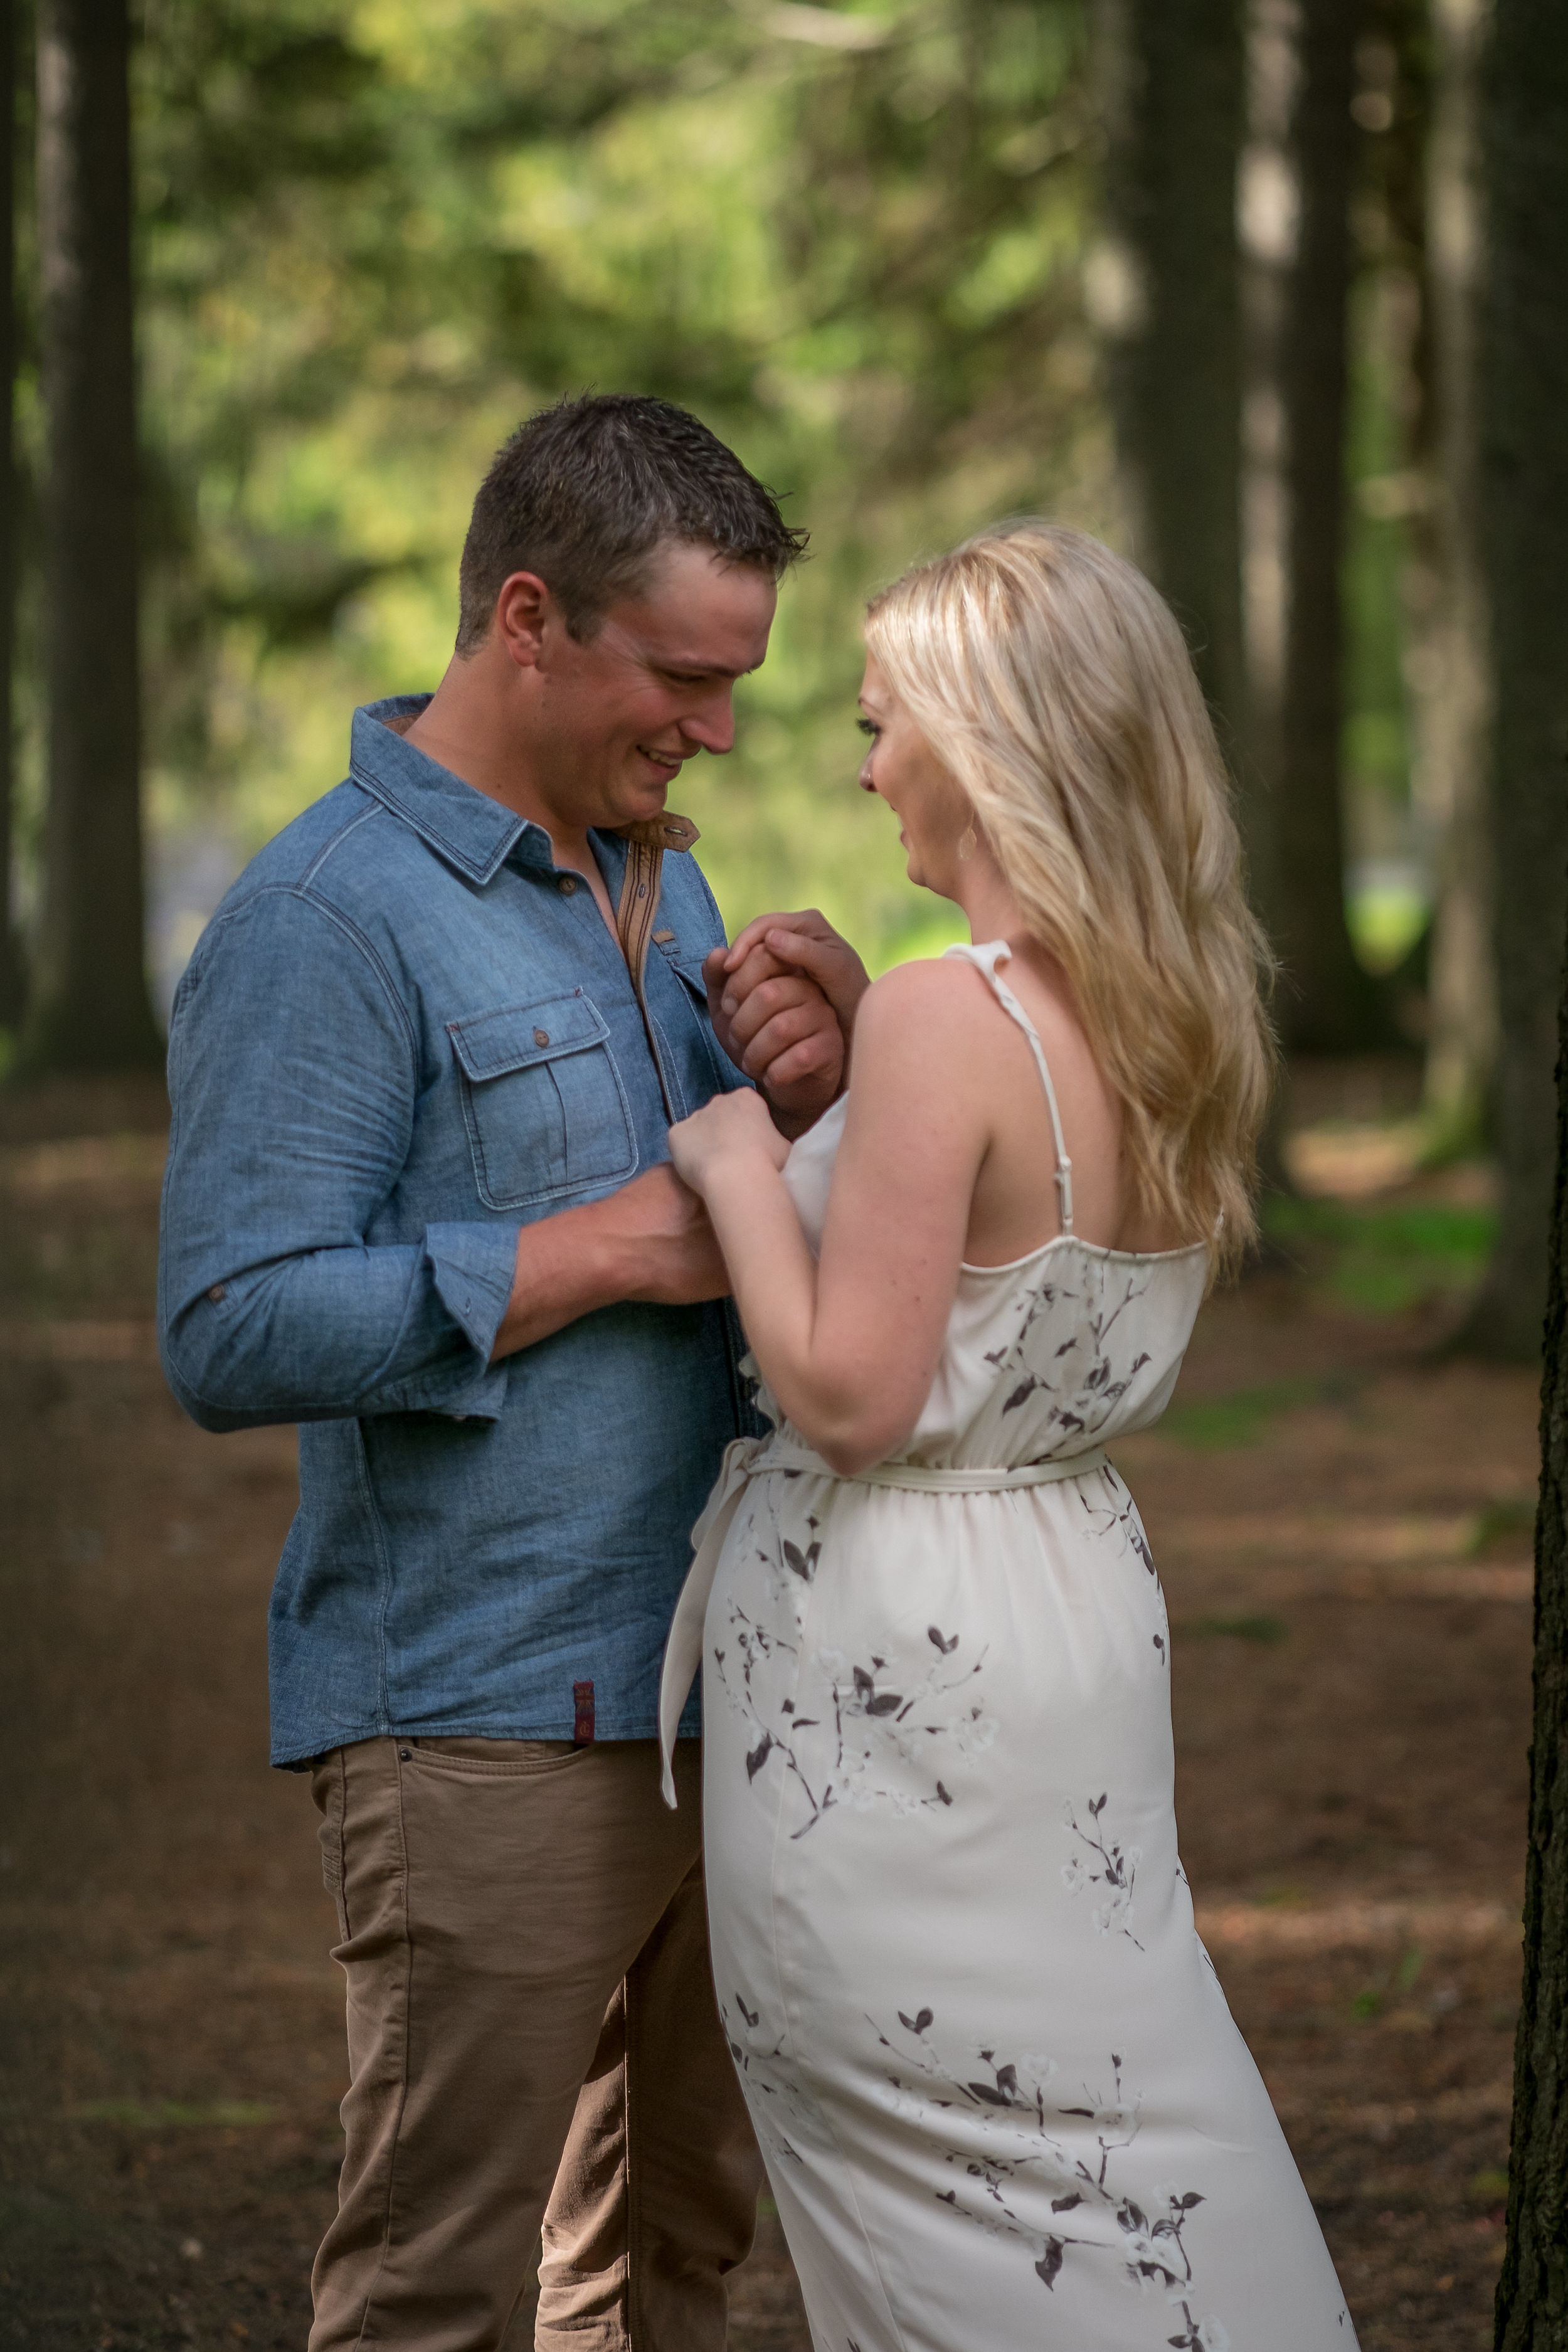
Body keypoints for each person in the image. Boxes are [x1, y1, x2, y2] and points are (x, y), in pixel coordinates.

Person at [157, 393, 867, 2352]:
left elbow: (748, 1234)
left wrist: (816, 1096)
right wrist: (594, 1255)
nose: (719, 729)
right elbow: (227, 1326)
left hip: (725, 1695)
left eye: (741, 684)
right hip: (481, 1716)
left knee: (684, 2267)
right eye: (687, 676)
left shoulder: (670, 881)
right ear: (529, 618)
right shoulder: (320, 923)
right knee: (438, 2291)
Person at [658, 521, 1360, 2349]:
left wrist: (739, 1163)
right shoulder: (1162, 1007)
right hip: (1063, 1615)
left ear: (987, 744)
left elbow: (853, 1394)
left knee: (938, 2195)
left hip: (892, 1674)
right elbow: (985, 1273)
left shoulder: (950, 1018)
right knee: (1118, 2103)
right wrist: (850, 1058)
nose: (859, 758)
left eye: (884, 720)